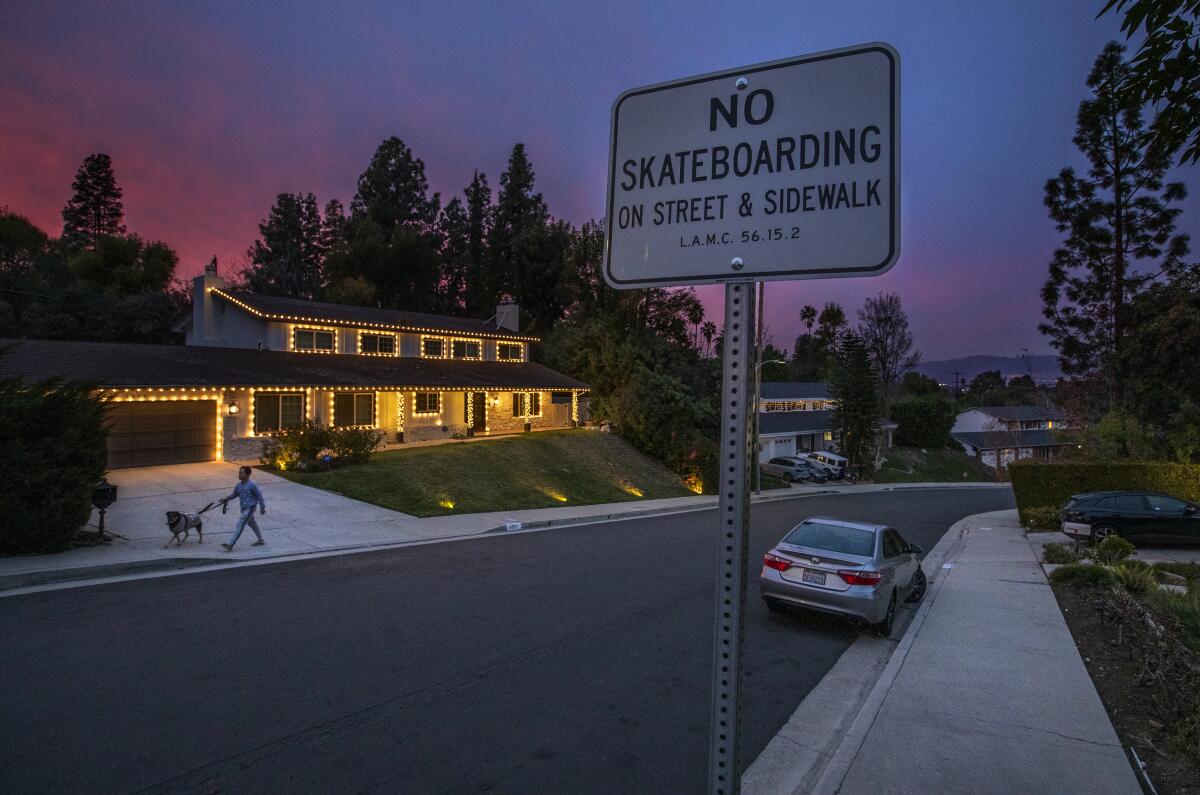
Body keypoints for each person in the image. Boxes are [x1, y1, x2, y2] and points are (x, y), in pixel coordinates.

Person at [221, 465, 266, 551]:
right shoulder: (238, 485)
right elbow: (235, 494)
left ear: (247, 474)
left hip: (250, 508)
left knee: (240, 524)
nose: (239, 474)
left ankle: (231, 544)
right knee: (253, 524)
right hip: (244, 509)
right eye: (239, 472)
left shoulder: (252, 484)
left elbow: (260, 496)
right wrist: (227, 498)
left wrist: (262, 507)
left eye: (241, 473)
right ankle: (261, 540)